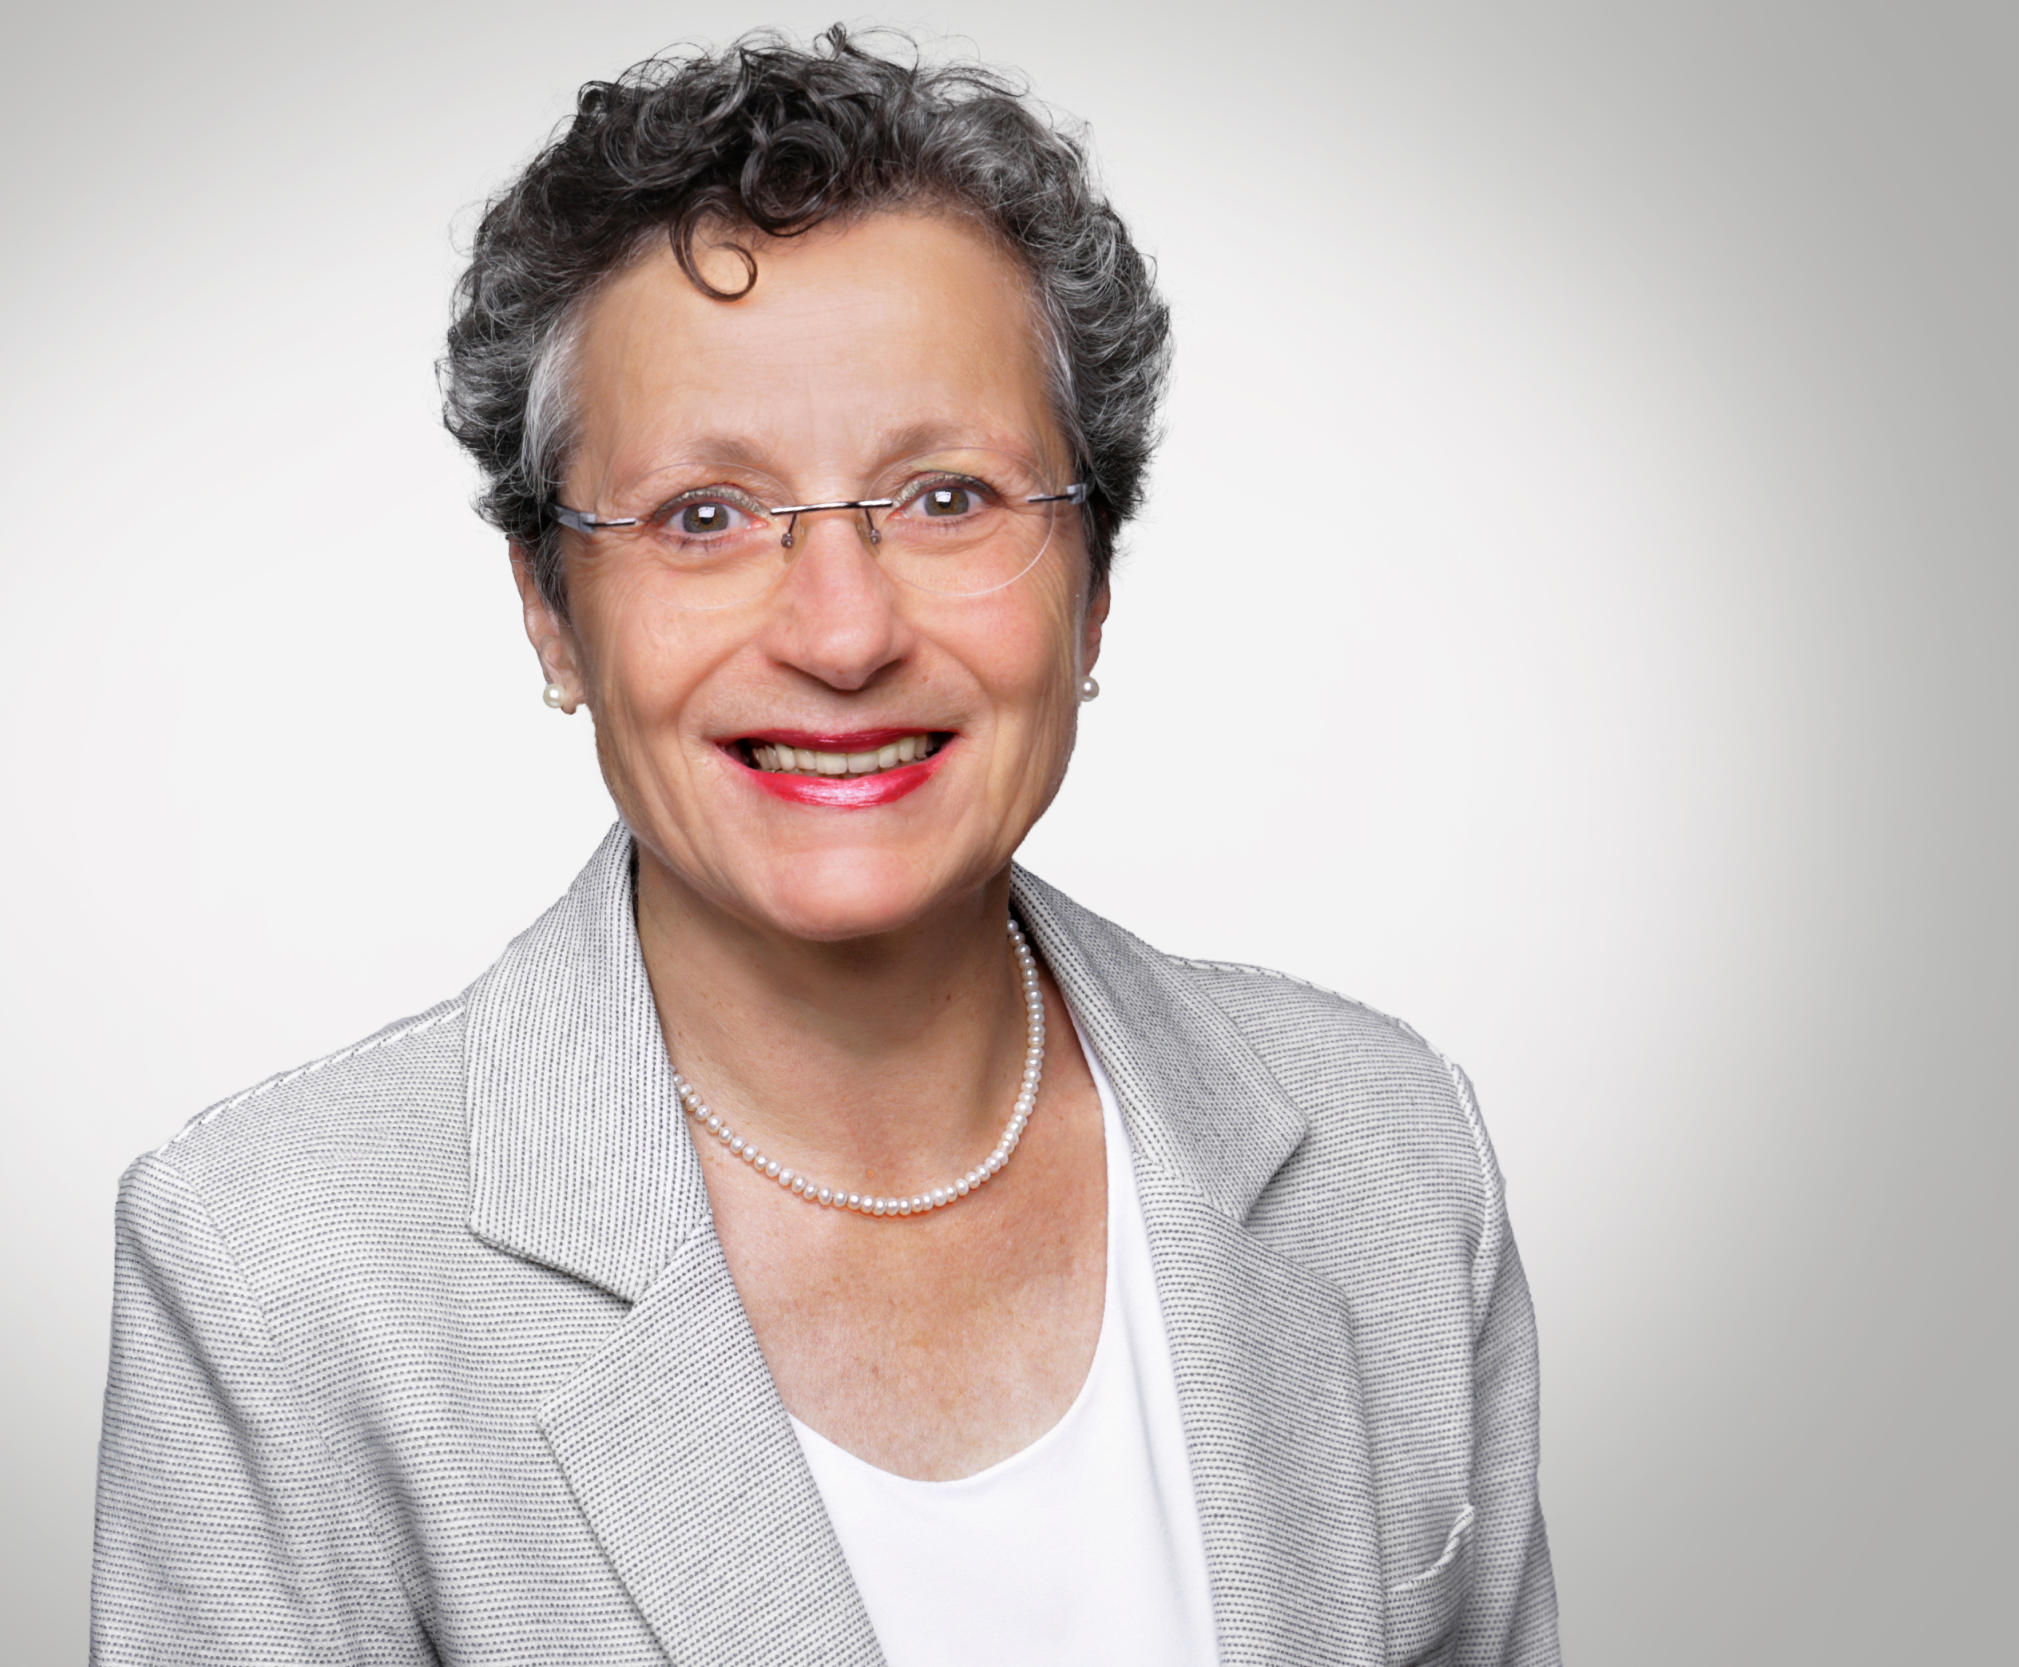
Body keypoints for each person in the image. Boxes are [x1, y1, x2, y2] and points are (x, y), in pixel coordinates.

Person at [90, 27, 1559, 1667]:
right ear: (552, 617)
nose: (844, 634)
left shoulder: (1389, 1158)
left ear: (1095, 589)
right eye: (703, 516)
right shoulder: (275, 1267)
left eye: (946, 498)